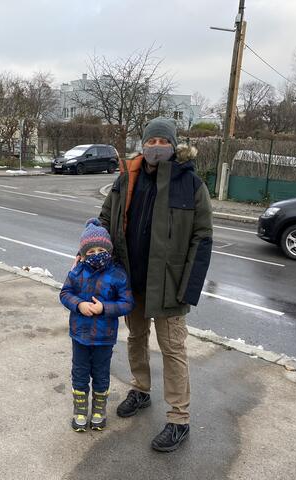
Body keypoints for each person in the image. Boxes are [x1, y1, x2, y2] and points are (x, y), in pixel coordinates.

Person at [98, 117, 213, 452]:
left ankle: (179, 419)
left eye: (164, 142)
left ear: (173, 145)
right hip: (131, 279)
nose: (157, 147)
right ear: (144, 143)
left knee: (173, 350)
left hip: (170, 285)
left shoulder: (190, 185)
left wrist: (189, 289)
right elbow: (105, 219)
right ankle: (141, 389)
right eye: (153, 141)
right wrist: (92, 247)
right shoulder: (126, 178)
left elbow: (202, 238)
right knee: (135, 337)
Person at [60, 219, 134, 432]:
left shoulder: (117, 274)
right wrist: (79, 304)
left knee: (101, 375)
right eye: (90, 251)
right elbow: (65, 293)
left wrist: (104, 308)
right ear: (82, 254)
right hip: (80, 335)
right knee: (80, 373)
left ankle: (99, 411)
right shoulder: (77, 272)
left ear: (109, 251)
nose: (96, 254)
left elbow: (127, 303)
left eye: (102, 249)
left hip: (104, 337)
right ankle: (80, 411)